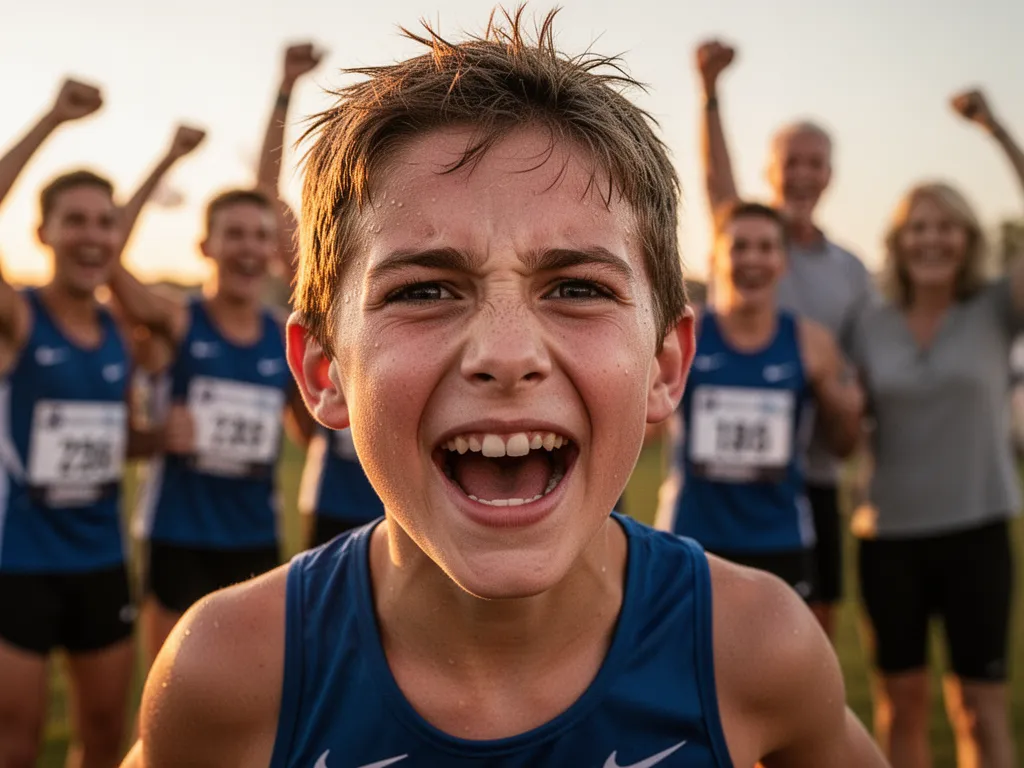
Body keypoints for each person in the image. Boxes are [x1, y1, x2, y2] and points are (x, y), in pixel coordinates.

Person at [124, 11, 887, 767]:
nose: (506, 355)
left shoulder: (755, 647)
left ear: (665, 365)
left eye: (578, 288)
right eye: (424, 291)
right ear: (325, 372)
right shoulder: (229, 674)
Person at [849, 89, 1024, 768]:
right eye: (918, 227)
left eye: (946, 225)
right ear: (898, 240)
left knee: (979, 712)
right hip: (887, 538)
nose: (931, 238)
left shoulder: (996, 309)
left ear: (968, 238)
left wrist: (996, 130)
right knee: (901, 707)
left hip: (977, 532)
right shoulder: (870, 320)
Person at [0, 78, 162, 768]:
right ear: (44, 233)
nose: (93, 235)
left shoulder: (119, 335)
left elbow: (118, 443)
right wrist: (51, 120)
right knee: (17, 741)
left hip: (101, 562)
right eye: (77, 220)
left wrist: (165, 439)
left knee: (104, 735)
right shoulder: (17, 319)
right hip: (18, 565)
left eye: (106, 222)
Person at [696, 39, 875, 637]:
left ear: (829, 175)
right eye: (789, 161)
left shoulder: (851, 272)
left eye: (813, 162)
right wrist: (710, 92)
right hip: (717, 489)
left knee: (804, 639)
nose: (801, 173)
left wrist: (848, 413)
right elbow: (716, 181)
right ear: (771, 172)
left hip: (808, 480)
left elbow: (856, 381)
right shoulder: (749, 233)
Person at [655, 201, 862, 601]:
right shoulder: (681, 334)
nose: (752, 259)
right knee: (684, 663)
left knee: (780, 664)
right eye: (740, 247)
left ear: (783, 261)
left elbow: (843, 447)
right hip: (688, 537)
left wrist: (847, 410)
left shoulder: (812, 343)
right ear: (716, 257)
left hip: (780, 540)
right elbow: (642, 428)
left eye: (766, 248)